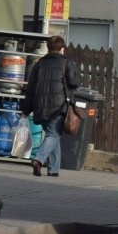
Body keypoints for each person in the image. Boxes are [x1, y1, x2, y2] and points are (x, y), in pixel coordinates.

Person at [22, 35, 80, 177]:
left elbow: (30, 89)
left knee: (52, 134)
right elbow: (75, 82)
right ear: (61, 49)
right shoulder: (66, 62)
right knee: (53, 135)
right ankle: (38, 160)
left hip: (40, 106)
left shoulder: (39, 64)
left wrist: (25, 109)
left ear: (48, 48)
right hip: (58, 106)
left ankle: (53, 169)